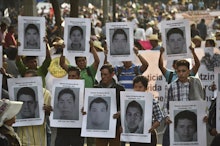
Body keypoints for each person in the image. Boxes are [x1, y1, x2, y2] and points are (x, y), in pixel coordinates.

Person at [162, 59, 205, 146]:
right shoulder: (171, 86)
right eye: (178, 71)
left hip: (192, 121)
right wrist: (167, 117)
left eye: (184, 71)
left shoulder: (195, 83)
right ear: (176, 71)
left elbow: (202, 103)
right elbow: (165, 106)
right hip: (176, 121)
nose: (181, 73)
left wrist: (204, 115)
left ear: (189, 71)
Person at [16, 70, 52, 146]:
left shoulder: (46, 93)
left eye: (29, 80)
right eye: (24, 80)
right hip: (23, 137)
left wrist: (48, 110)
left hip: (40, 138)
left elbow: (51, 113)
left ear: (37, 80)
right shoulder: (16, 93)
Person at [93, 64, 125, 146]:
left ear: (112, 74)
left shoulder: (120, 89)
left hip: (115, 126)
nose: (103, 77)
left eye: (105, 74)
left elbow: (124, 107)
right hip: (100, 127)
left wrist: (120, 112)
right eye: (101, 74)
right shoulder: (95, 89)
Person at [128, 75, 164, 146]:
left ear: (146, 88)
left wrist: (153, 127)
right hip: (134, 137)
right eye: (135, 87)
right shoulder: (129, 101)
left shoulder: (152, 101)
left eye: (140, 87)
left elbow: (159, 117)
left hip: (149, 136)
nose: (137, 89)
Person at [55, 66, 84, 146]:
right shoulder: (60, 89)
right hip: (62, 129)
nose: (71, 78)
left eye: (73, 76)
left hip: (77, 129)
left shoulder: (84, 92)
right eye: (69, 76)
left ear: (79, 77)